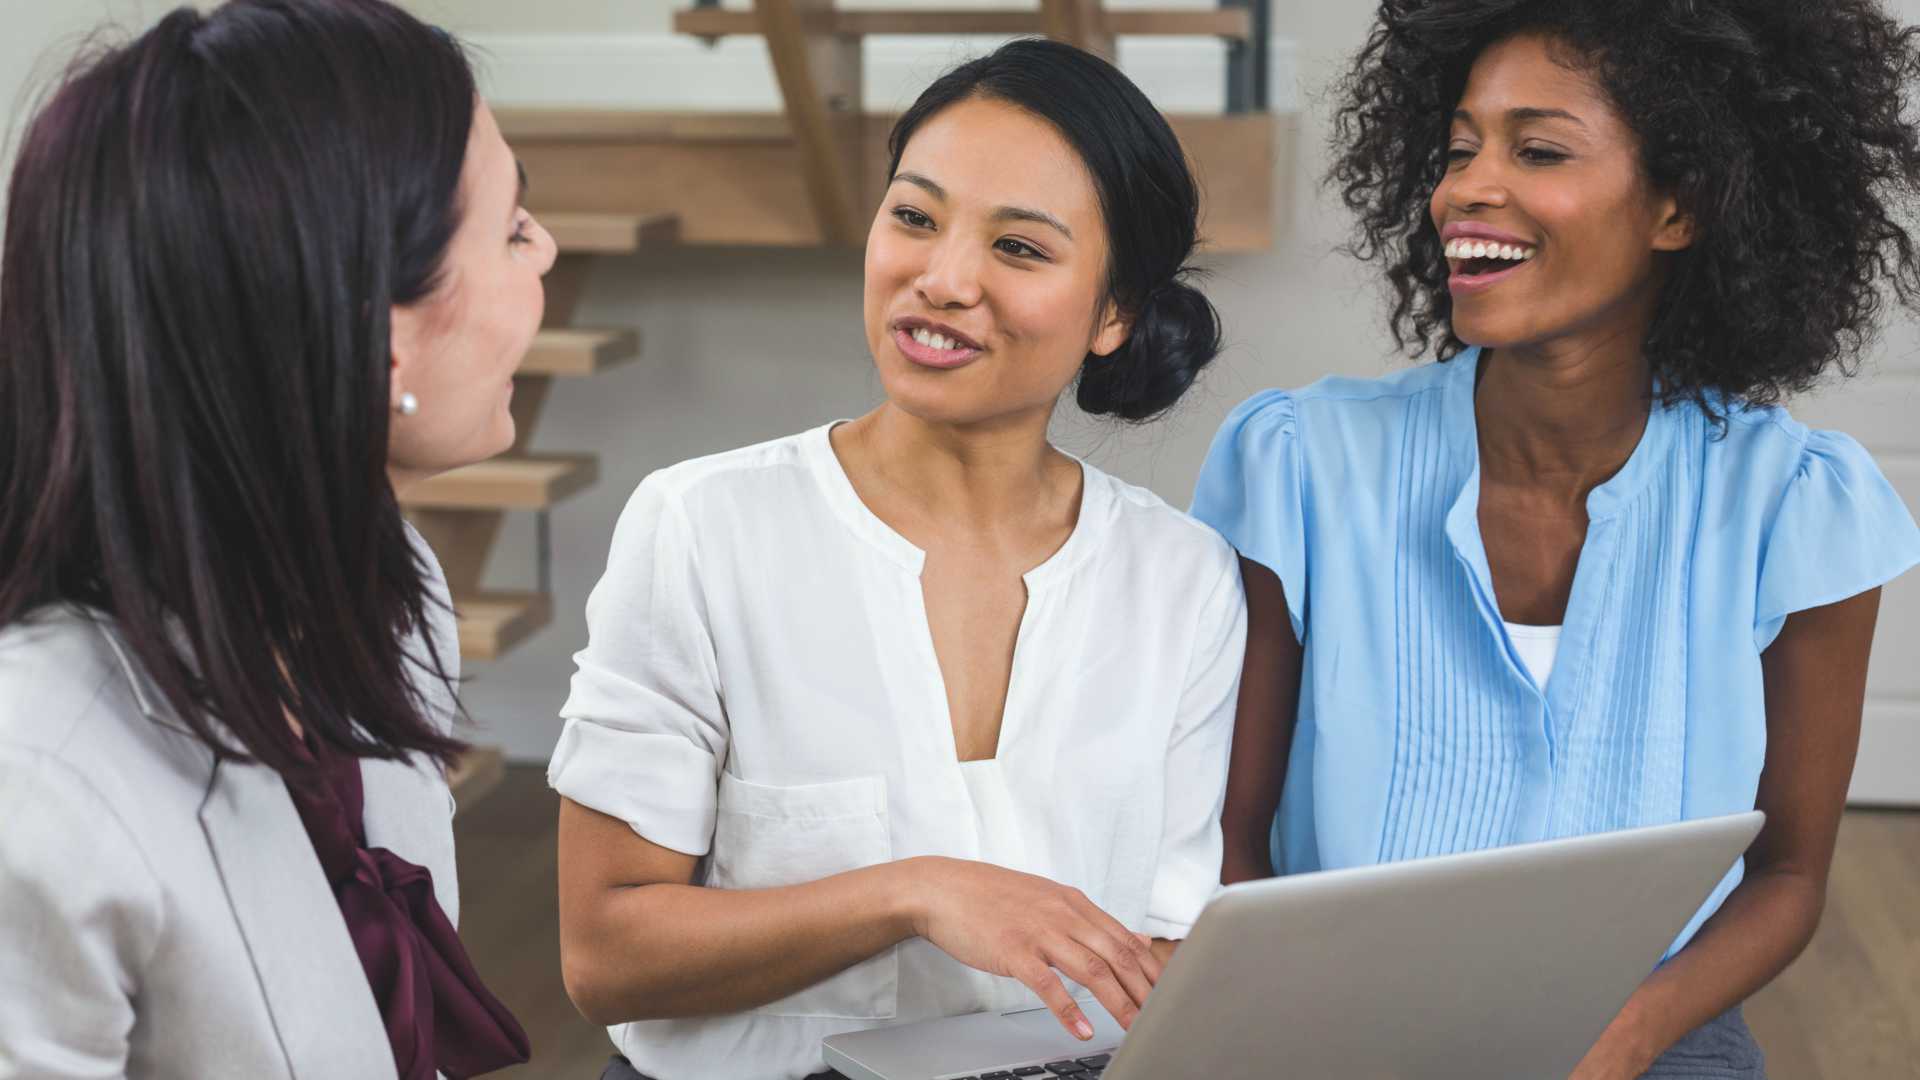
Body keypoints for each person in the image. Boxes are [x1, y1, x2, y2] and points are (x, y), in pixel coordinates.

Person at [1191, 1, 1920, 1076]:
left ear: (1678, 206)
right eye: (1457, 148)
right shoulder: (1300, 466)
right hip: (1334, 1030)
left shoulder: (1795, 505)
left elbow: (1789, 878)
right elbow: (1231, 838)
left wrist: (1628, 1035)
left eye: (1537, 149)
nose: (1466, 189)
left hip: (1646, 1029)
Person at [550, 39, 1243, 1080]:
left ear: (1116, 313)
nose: (943, 279)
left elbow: (1163, 952)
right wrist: (911, 892)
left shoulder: (1180, 578)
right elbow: (606, 956)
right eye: (914, 218)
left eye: (1019, 248)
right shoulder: (701, 526)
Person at [0, 2, 553, 1076]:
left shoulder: (391, 593)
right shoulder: (37, 785)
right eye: (514, 226)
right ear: (377, 331)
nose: (546, 251)